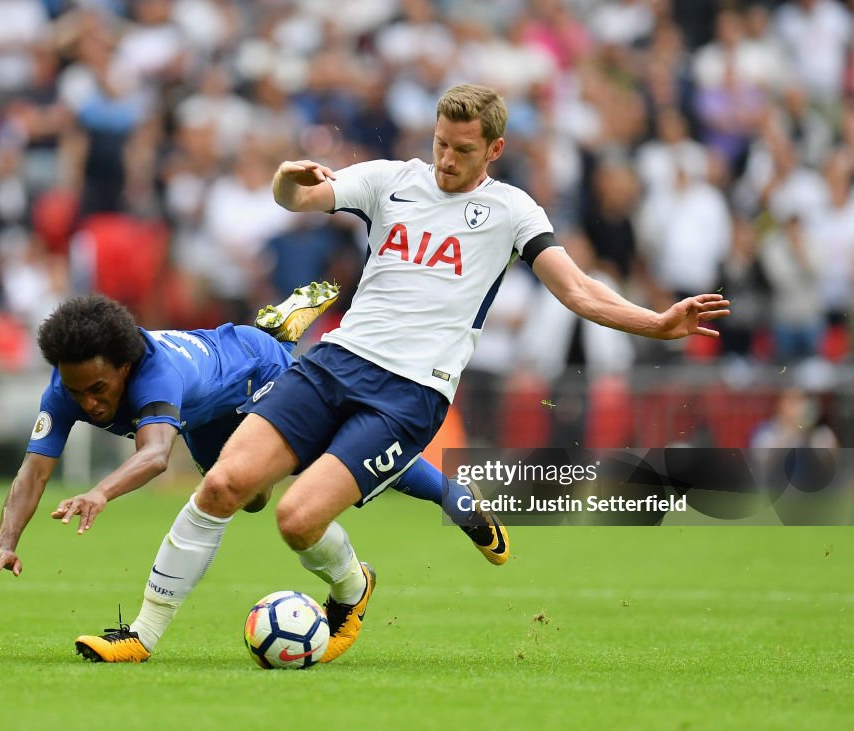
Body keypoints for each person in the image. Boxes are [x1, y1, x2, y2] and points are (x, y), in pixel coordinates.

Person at [73, 83, 730, 665]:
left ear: (494, 150)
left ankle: (353, 589)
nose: (446, 159)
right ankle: (141, 635)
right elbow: (297, 198)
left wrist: (657, 322)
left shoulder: (512, 212)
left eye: (462, 150)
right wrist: (285, 176)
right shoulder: (392, 179)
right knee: (223, 483)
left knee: (296, 520)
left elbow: (579, 291)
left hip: (409, 393)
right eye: (441, 143)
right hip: (334, 361)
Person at [0, 282, 506, 651]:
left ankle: (451, 496)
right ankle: (280, 328)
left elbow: (157, 455)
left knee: (328, 465)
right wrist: (6, 540)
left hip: (256, 372)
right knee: (249, 498)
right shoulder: (64, 389)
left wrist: (100, 493)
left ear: (126, 367)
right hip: (209, 414)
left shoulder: (154, 378)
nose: (88, 404)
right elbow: (33, 470)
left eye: (99, 389)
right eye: (76, 391)